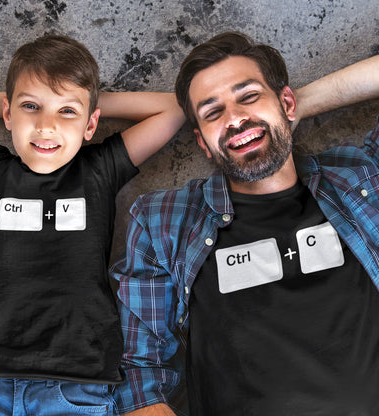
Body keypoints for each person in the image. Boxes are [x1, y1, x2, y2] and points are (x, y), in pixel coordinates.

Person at [110, 32, 379, 415]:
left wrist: (296, 108)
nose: (235, 119)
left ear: (287, 101)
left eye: (249, 96)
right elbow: (138, 371)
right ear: (202, 143)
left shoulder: (362, 176)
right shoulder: (162, 221)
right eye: (212, 113)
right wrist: (266, 114)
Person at [0, 34, 185, 416]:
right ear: (6, 114)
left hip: (80, 387)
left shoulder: (98, 169)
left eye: (66, 112)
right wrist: (26, 96)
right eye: (31, 106)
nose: (46, 125)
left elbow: (178, 109)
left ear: (90, 124)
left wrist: (88, 98)